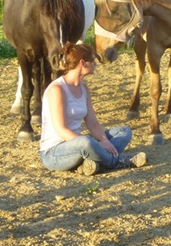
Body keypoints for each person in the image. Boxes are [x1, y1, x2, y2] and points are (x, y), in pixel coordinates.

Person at [40, 42, 147, 175]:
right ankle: (119, 161)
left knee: (124, 131)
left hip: (78, 144)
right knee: (86, 142)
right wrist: (94, 145)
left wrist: (104, 141)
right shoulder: (57, 89)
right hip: (54, 153)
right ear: (83, 63)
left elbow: (92, 123)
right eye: (93, 60)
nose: (96, 64)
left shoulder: (84, 89)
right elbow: (61, 130)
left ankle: (92, 163)